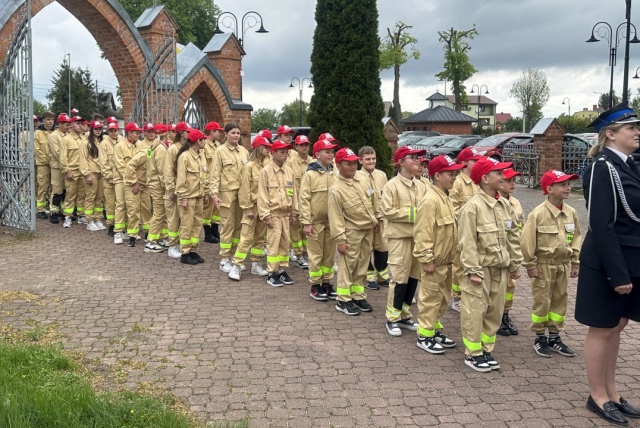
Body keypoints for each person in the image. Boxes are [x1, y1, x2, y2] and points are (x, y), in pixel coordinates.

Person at [575, 103, 640, 425]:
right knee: (602, 328)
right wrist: (618, 274)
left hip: (630, 259)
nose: (638, 132)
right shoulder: (603, 167)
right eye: (631, 127)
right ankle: (597, 396)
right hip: (608, 262)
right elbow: (602, 225)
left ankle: (612, 392)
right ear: (611, 134)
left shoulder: (628, 164)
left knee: (617, 326)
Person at [458, 157, 522, 372]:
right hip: (481, 271)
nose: (504, 177)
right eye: (499, 173)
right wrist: (473, 270)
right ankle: (473, 353)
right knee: (475, 311)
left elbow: (513, 236)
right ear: (485, 179)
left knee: (494, 312)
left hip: (500, 269)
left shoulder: (504, 205)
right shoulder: (472, 208)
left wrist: (514, 264)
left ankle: (486, 349)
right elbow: (467, 242)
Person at [521, 170, 581, 357]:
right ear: (549, 189)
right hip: (543, 266)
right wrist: (530, 265)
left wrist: (575, 262)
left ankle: (554, 337)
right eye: (562, 185)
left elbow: (576, 238)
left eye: (568, 184)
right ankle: (540, 337)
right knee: (542, 300)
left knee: (560, 300)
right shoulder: (538, 214)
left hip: (562, 265)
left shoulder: (571, 213)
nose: (568, 188)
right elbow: (527, 241)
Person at [413, 155, 464, 353]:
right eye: (450, 174)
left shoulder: (445, 197)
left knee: (442, 299)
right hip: (434, 262)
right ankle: (424, 336)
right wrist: (426, 259)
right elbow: (423, 233)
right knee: (430, 299)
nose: (454, 177)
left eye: (455, 173)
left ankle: (433, 329)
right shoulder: (430, 201)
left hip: (446, 261)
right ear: (437, 176)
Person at [381, 146, 428, 336]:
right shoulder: (391, 185)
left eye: (418, 158)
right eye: (412, 158)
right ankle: (392, 318)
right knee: (399, 278)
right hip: (399, 238)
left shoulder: (422, 185)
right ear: (401, 162)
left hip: (418, 238)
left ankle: (405, 315)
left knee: (413, 278)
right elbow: (387, 210)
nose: (417, 161)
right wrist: (416, 214)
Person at [329, 147, 378, 315]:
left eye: (354, 163)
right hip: (351, 232)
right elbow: (335, 218)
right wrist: (340, 240)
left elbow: (371, 199)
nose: (352, 167)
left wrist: (375, 219)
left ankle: (357, 295)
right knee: (348, 265)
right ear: (338, 165)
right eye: (348, 164)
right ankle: (343, 299)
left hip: (367, 229)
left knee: (363, 264)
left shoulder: (362, 179)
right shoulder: (336, 189)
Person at [299, 137, 339, 301]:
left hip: (331, 222)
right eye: (327, 152)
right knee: (315, 254)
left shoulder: (335, 173)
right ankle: (315, 285)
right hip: (315, 222)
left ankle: (327, 283)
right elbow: (304, 199)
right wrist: (306, 222)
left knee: (329, 254)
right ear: (317, 155)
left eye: (332, 152)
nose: (331, 154)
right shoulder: (310, 175)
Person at [228, 135, 272, 280]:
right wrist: (247, 208)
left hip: (264, 207)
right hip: (252, 206)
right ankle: (236, 265)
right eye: (265, 147)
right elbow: (244, 189)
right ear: (258, 148)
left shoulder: (268, 165)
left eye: (269, 147)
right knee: (246, 237)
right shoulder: (249, 166)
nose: (268, 149)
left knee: (260, 237)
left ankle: (255, 264)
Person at [257, 140, 298, 287]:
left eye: (286, 152)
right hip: (273, 214)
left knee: (285, 242)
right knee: (273, 243)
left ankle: (281, 270)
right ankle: (272, 273)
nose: (285, 155)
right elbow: (262, 195)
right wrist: (266, 215)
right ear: (273, 153)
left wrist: (294, 212)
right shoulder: (265, 172)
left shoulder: (289, 171)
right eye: (282, 152)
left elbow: (294, 194)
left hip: (286, 214)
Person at [450, 147, 485, 312]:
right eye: (474, 161)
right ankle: (457, 298)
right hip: (461, 231)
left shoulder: (478, 183)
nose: (477, 163)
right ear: (464, 163)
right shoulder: (457, 183)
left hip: (478, 231)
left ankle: (470, 295)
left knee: (474, 263)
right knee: (459, 266)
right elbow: (452, 208)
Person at [211, 123, 250, 273]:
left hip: (242, 193)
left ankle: (235, 256)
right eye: (233, 133)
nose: (236, 135)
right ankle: (224, 259)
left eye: (238, 133)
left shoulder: (244, 151)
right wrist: (214, 194)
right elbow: (215, 174)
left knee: (239, 226)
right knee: (227, 225)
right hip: (227, 193)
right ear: (226, 134)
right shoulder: (220, 151)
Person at [127, 124, 168, 253]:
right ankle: (144, 239)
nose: (151, 134)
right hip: (144, 184)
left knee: (150, 211)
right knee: (137, 209)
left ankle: (157, 237)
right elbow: (160, 170)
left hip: (147, 184)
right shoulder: (151, 148)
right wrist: (133, 182)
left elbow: (150, 166)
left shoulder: (154, 147)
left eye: (152, 131)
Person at [497, 168, 525, 337]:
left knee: (510, 286)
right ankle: (495, 317)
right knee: (497, 287)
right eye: (508, 180)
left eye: (514, 181)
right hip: (498, 253)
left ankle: (505, 314)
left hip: (512, 251)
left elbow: (521, 227)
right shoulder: (495, 202)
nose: (512, 184)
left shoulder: (515, 203)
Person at [175, 129, 210, 265]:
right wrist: (183, 197)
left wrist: (205, 193)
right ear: (197, 141)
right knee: (186, 225)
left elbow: (204, 177)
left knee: (197, 225)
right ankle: (185, 252)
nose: (205, 142)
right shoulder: (184, 157)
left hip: (199, 197)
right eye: (203, 139)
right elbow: (181, 179)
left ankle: (193, 250)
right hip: (188, 197)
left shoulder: (201, 156)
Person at [357, 146, 389, 291]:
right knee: (365, 249)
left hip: (381, 219)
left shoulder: (382, 175)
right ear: (360, 160)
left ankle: (382, 275)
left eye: (373, 158)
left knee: (383, 248)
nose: (371, 161)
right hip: (366, 220)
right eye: (368, 159)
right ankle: (368, 277)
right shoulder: (357, 177)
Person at [113, 122, 144, 246]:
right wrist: (131, 180)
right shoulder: (119, 146)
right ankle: (118, 232)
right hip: (121, 179)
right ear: (129, 133)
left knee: (133, 206)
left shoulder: (141, 145)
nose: (138, 135)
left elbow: (147, 160)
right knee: (121, 204)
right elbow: (120, 166)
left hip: (135, 181)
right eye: (136, 132)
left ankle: (130, 231)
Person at [164, 122, 190, 258]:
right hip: (174, 190)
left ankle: (180, 243)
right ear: (181, 133)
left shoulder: (187, 147)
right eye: (187, 131)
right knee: (173, 219)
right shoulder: (173, 149)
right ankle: (172, 246)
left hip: (184, 189)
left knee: (183, 219)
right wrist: (171, 189)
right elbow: (168, 171)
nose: (189, 133)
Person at [287, 134, 313, 269]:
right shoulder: (290, 163)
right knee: (296, 230)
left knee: (308, 230)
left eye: (306, 144)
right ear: (296, 146)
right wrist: (290, 202)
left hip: (310, 202)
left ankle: (307, 253)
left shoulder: (313, 162)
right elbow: (288, 184)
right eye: (301, 145)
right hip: (296, 202)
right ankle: (299, 255)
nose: (304, 147)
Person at [59, 115, 87, 227]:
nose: (80, 125)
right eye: (77, 123)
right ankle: (67, 217)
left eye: (81, 124)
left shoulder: (84, 139)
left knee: (82, 195)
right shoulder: (66, 140)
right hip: (72, 171)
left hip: (83, 171)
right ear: (71, 125)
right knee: (70, 194)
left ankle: (81, 215)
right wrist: (67, 171)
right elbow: (63, 157)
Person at [79, 120, 105, 232]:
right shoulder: (85, 143)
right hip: (92, 173)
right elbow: (83, 160)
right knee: (90, 197)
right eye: (96, 129)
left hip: (101, 173)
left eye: (100, 129)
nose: (98, 131)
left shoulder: (102, 142)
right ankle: (89, 221)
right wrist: (86, 174)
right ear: (91, 129)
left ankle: (98, 218)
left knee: (99, 198)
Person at [99, 121, 122, 237]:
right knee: (110, 202)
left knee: (121, 202)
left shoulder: (122, 140)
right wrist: (109, 176)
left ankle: (120, 224)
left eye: (115, 131)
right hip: (110, 179)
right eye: (111, 131)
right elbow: (103, 162)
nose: (114, 133)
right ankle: (111, 225)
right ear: (108, 132)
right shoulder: (104, 144)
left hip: (120, 177)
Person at [202, 121, 224, 244]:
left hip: (218, 180)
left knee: (217, 208)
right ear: (212, 132)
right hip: (209, 180)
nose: (220, 133)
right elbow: (203, 165)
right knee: (208, 208)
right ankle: (207, 232)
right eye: (218, 131)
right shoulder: (204, 145)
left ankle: (215, 229)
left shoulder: (218, 145)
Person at [48, 113, 71, 224]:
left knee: (65, 190)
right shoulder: (54, 136)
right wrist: (67, 162)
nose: (68, 126)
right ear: (60, 124)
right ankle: (53, 212)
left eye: (69, 124)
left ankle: (62, 210)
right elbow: (57, 153)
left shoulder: (67, 135)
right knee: (57, 190)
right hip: (57, 167)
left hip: (66, 166)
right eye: (66, 124)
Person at [34, 111, 54, 219]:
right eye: (48, 119)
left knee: (53, 187)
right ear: (43, 120)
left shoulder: (54, 133)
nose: (50, 121)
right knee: (42, 186)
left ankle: (52, 208)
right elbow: (37, 150)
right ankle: (40, 209)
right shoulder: (37, 133)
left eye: (52, 119)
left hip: (54, 165)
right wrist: (47, 160)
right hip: (43, 164)